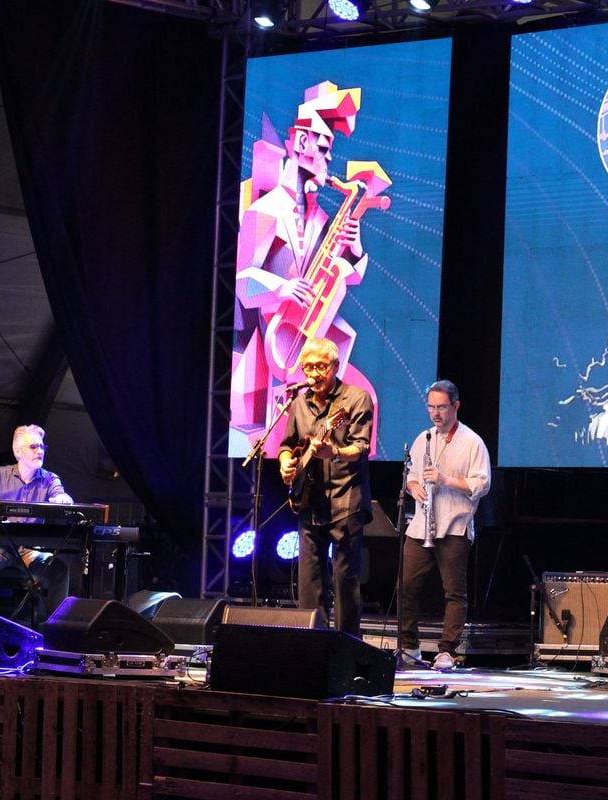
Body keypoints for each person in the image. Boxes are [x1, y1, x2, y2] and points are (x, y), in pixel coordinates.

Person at [232, 80, 390, 459]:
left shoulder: (319, 216)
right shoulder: (265, 209)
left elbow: (344, 276)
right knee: (267, 435)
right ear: (300, 143)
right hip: (272, 341)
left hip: (310, 338)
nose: (328, 159)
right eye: (323, 148)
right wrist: (282, 289)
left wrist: (353, 249)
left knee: (358, 396)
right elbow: (241, 281)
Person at [278, 337, 373, 638]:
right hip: (309, 501)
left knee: (345, 580)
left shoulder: (355, 399)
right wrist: (284, 463)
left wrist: (335, 452)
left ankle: (346, 646)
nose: (313, 374)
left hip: (346, 499)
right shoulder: (299, 402)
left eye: (320, 367)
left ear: (334, 366)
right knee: (310, 580)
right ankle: (312, 643)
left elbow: (361, 447)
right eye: (308, 367)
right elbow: (287, 445)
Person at [401, 380, 491, 670]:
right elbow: (411, 476)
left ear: (456, 406)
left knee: (453, 592)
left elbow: (482, 484)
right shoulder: (423, 438)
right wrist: (413, 487)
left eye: (441, 407)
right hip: (420, 526)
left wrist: (445, 480)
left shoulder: (472, 441)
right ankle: (408, 647)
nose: (436, 413)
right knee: (406, 586)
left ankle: (447, 651)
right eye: (431, 407)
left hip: (454, 525)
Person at [0, 424, 74, 621]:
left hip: (30, 551)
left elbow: (61, 494)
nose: (39, 451)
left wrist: (63, 499)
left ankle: (55, 631)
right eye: (33, 447)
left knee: (59, 568)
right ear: (17, 452)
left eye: (42, 447)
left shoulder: (50, 479)